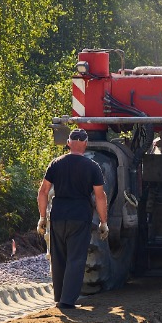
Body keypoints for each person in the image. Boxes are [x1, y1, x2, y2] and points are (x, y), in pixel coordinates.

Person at [37, 128, 109, 309]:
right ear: (85, 144)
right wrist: (103, 222)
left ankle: (59, 296)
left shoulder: (56, 164)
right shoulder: (93, 167)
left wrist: (42, 217)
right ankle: (67, 301)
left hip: (58, 215)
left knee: (58, 257)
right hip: (79, 216)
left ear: (68, 143)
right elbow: (100, 196)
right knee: (76, 259)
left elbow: (43, 191)